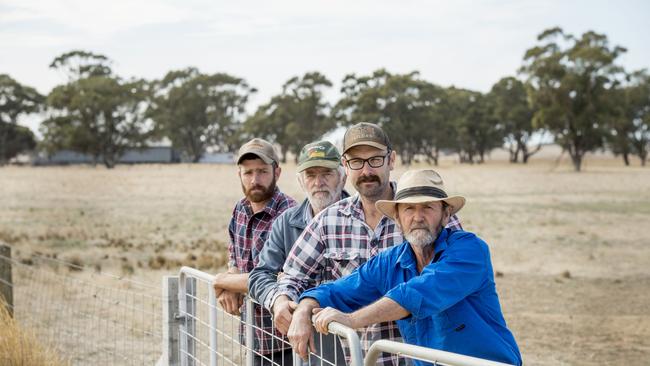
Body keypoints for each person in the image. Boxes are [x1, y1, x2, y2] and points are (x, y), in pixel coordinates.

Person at [276, 123, 462, 365]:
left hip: (426, 357)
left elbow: (448, 281)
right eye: (356, 162)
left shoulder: (428, 216)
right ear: (345, 165)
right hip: (362, 357)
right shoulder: (328, 221)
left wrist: (351, 319)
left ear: (391, 160)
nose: (366, 171)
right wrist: (292, 305)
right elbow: (293, 276)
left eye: (375, 160)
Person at [305, 169, 522, 366]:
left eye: (427, 207)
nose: (418, 217)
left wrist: (351, 320)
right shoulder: (389, 262)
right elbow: (338, 290)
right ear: (397, 219)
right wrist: (306, 306)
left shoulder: (470, 250)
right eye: (409, 208)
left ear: (446, 215)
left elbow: (416, 293)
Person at [248, 140, 349, 364]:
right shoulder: (286, 223)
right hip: (305, 352)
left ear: (343, 177)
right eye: (310, 175)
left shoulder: (360, 218)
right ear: (300, 181)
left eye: (327, 173)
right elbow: (260, 274)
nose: (319, 182)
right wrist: (279, 299)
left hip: (354, 344)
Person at [212, 137, 297, 366]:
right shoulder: (240, 209)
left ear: (277, 173)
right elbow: (234, 250)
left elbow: (275, 278)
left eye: (262, 171)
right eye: (248, 172)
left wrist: (222, 281)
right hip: (252, 336)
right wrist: (231, 277)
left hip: (286, 341)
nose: (255, 179)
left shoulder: (290, 215)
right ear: (239, 174)